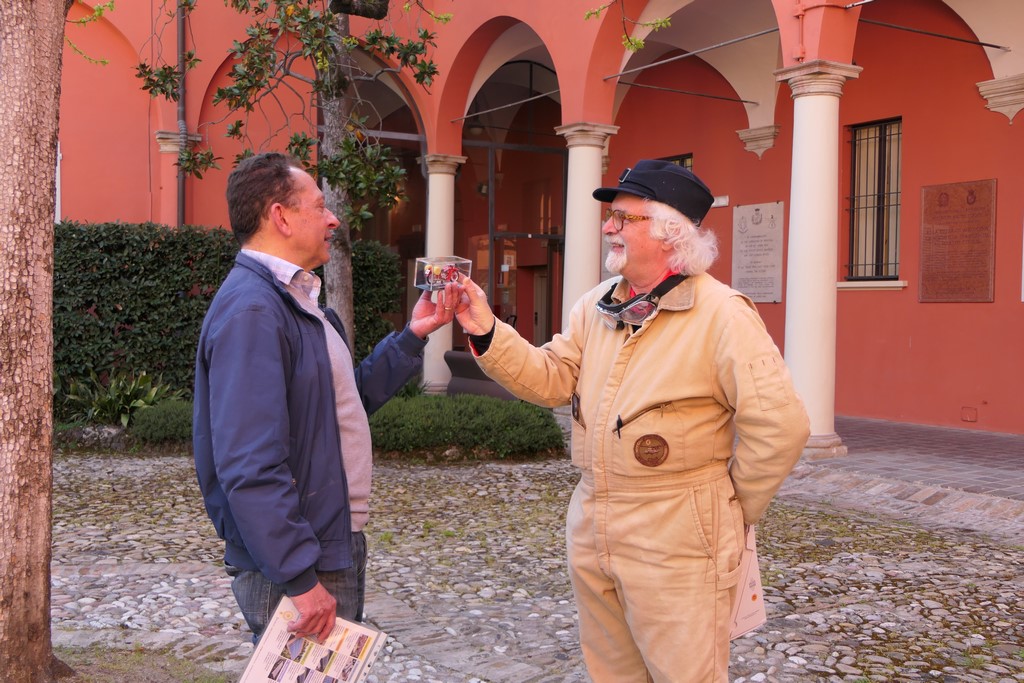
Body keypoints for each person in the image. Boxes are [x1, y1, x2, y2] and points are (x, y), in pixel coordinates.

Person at [455, 159, 810, 682]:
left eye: (623, 217)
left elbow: (781, 426)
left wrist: (726, 507)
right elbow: (552, 377)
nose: (608, 226)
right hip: (595, 522)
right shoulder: (596, 305)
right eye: (611, 216)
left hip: (678, 539)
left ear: (671, 232)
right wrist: (486, 330)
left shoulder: (723, 314)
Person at [193, 152, 459, 643]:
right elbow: (249, 465)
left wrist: (412, 337)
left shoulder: (293, 301)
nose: (334, 218)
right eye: (319, 207)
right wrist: (299, 576)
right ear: (281, 216)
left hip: (324, 541)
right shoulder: (254, 311)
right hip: (300, 557)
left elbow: (339, 405)